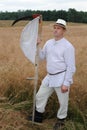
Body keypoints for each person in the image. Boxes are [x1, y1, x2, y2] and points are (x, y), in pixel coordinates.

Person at [30, 19, 76, 129]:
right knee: (40, 96)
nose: (55, 30)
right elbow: (41, 57)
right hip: (49, 77)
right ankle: (38, 116)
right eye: (54, 27)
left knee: (63, 101)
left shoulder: (68, 46)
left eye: (58, 28)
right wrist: (38, 46)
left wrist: (66, 83)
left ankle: (61, 120)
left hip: (62, 77)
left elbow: (71, 67)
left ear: (63, 30)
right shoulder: (49, 43)